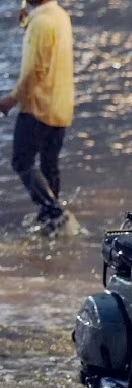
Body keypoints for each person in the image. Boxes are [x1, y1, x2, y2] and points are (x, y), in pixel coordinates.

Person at [0, 0, 74, 236]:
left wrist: (11, 100)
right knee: (49, 164)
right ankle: (51, 221)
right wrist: (27, 17)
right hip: (61, 106)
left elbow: (35, 70)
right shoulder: (59, 15)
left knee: (22, 161)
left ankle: (53, 211)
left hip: (39, 107)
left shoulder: (40, 22)